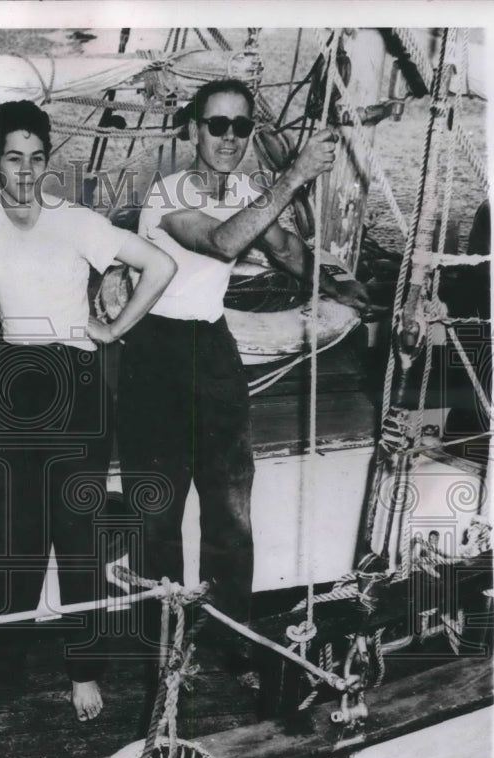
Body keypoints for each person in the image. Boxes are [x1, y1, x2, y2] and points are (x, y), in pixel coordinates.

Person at [117, 78, 370, 668]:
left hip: (211, 345)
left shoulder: (250, 190)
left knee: (230, 506)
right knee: (158, 508)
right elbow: (226, 242)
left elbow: (283, 246)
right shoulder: (165, 194)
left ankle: (230, 636)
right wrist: (297, 175)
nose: (229, 137)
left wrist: (339, 288)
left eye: (241, 125)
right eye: (217, 124)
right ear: (192, 130)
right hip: (155, 354)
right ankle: (165, 645)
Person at [0, 100, 177, 721]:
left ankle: (84, 672)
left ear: (47, 160)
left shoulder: (78, 220)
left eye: (35, 159)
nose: (24, 172)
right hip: (15, 386)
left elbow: (159, 265)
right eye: (12, 159)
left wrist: (114, 330)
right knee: (7, 533)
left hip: (74, 381)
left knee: (75, 533)